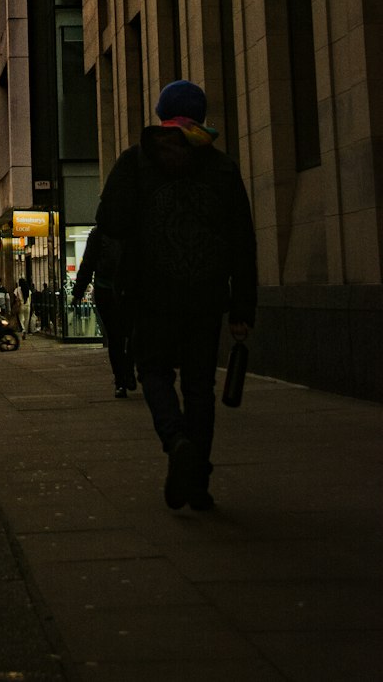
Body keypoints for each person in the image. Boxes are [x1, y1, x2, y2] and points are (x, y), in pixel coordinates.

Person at [95, 80, 257, 511]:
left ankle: (176, 440)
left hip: (152, 294)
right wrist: (242, 307)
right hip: (205, 295)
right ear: (201, 116)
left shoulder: (136, 161)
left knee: (153, 371)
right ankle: (198, 478)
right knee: (200, 385)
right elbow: (243, 240)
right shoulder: (221, 169)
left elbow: (108, 220)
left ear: (161, 112)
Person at [72, 228, 136, 397]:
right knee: (130, 333)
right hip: (129, 291)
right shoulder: (132, 230)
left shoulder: (98, 233)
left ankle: (120, 381)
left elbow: (88, 263)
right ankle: (128, 370)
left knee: (115, 337)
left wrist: (78, 292)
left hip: (105, 289)